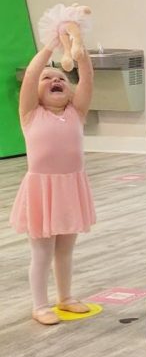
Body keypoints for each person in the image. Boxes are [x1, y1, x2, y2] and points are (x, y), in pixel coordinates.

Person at [10, 35, 95, 325]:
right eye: (47, 78)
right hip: (41, 192)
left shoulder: (76, 113)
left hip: (70, 188)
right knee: (42, 252)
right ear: (34, 92)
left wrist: (79, 53)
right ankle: (39, 304)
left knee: (65, 250)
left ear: (70, 91)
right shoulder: (30, 114)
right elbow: (32, 74)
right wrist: (48, 48)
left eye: (60, 77)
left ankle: (65, 297)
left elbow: (86, 80)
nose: (54, 79)